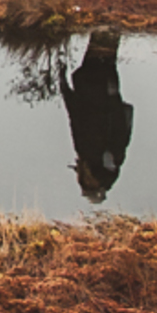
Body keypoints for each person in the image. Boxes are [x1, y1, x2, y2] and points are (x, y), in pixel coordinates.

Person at [60, 31, 132, 203]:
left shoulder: (95, 159)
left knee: (101, 52)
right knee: (102, 52)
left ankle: (108, 25)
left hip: (94, 89)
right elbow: (118, 125)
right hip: (99, 91)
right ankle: (109, 24)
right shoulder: (104, 159)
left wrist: (65, 88)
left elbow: (76, 120)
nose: (83, 181)